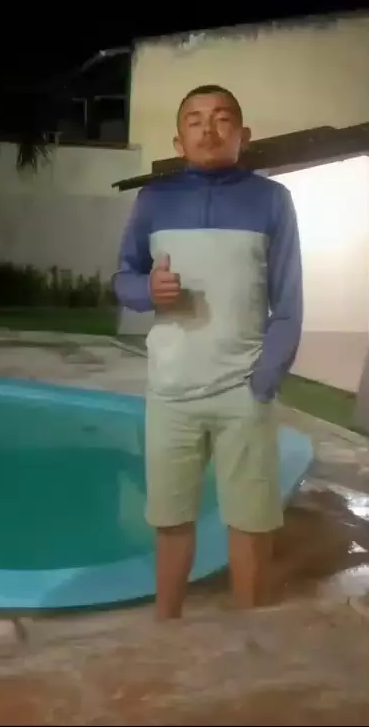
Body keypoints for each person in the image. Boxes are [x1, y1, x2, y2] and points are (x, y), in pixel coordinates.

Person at [113, 85, 303, 619]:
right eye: (195, 120)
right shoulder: (153, 200)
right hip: (171, 390)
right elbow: (123, 278)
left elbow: (289, 303)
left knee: (251, 521)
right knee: (171, 519)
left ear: (244, 135)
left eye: (222, 119)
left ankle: (249, 635)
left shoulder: (271, 200)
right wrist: (147, 290)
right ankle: (167, 627)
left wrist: (264, 380)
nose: (208, 129)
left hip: (244, 391)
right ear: (179, 141)